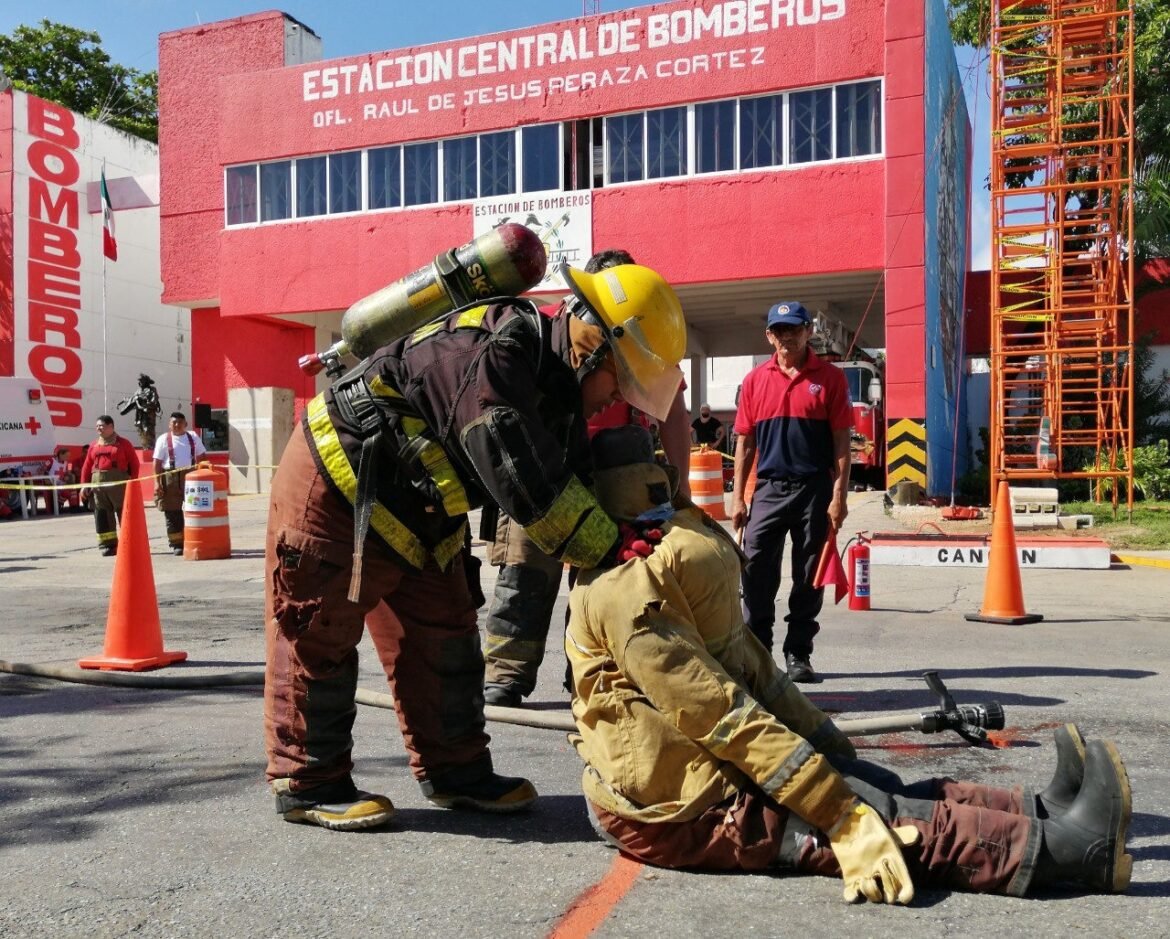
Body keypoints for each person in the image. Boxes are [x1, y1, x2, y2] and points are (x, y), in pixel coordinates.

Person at [567, 425, 1133, 903]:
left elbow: (751, 667)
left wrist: (827, 744)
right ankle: (1077, 851)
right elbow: (721, 713)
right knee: (884, 815)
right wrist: (838, 810)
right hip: (675, 813)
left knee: (877, 782)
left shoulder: (657, 563)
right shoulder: (626, 593)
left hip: (699, 773)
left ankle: (1038, 812)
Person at [264, 258, 687, 831]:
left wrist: (627, 531)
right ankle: (309, 781)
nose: (617, 400)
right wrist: (609, 548)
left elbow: (573, 477)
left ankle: (456, 772)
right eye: (619, 380)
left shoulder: (557, 383)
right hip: (340, 484)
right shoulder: (499, 356)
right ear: (591, 344)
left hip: (421, 503)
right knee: (318, 629)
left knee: (445, 632)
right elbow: (524, 480)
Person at [482, 248, 692, 709]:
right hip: (546, 464)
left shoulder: (644, 339)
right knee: (525, 571)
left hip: (614, 472)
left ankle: (589, 671)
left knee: (605, 575)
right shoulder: (553, 334)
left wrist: (681, 486)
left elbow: (674, 412)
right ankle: (507, 673)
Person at [732, 301, 852, 684]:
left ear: (808, 331)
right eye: (779, 330)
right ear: (770, 335)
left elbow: (841, 444)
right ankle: (758, 652)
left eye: (794, 329)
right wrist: (737, 498)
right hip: (768, 489)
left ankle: (798, 653)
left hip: (814, 489)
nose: (787, 336)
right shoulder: (754, 381)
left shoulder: (831, 379)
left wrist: (839, 497)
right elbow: (745, 443)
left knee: (808, 575)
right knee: (755, 572)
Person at [79, 416, 141, 556]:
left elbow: (134, 464)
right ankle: (108, 545)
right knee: (102, 514)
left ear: (111, 426)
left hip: (119, 484)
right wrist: (84, 485)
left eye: (101, 426)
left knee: (124, 514)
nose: (98, 429)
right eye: (97, 426)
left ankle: (129, 544)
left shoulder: (124, 443)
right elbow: (87, 466)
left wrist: (133, 483)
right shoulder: (93, 445)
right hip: (98, 486)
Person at [152, 411, 207, 555]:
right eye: (173, 423)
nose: (176, 425)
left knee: (195, 510)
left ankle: (195, 540)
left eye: (179, 422)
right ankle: (176, 544)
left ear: (185, 424)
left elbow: (202, 457)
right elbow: (157, 463)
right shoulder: (163, 439)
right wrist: (157, 483)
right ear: (169, 424)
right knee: (172, 512)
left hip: (191, 476)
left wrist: (204, 476)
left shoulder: (193, 437)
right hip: (170, 477)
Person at [118, 373, 162, 450]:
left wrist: (144, 402)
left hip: (148, 413)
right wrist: (125, 401)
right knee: (140, 430)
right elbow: (133, 400)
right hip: (139, 414)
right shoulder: (138, 391)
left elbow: (154, 400)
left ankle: (150, 448)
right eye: (139, 381)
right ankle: (145, 447)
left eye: (142, 380)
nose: (140, 382)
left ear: (146, 381)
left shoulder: (152, 389)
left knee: (148, 429)